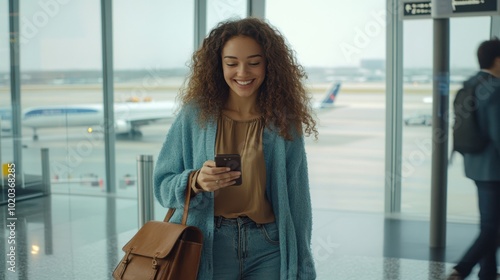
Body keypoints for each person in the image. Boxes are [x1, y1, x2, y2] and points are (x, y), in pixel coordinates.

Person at [153, 17, 318, 280]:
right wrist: (195, 181)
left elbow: (298, 201)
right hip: (208, 243)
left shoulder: (283, 121)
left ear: (268, 65)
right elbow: (162, 185)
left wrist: (302, 264)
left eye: (254, 63)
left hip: (269, 246)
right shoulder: (196, 115)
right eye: (232, 63)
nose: (242, 73)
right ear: (218, 66)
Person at [447, 38, 500, 280]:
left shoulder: (470, 83)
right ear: (498, 61)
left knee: (490, 224)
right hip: (494, 168)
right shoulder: (495, 89)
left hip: (475, 165)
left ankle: (487, 273)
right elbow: (498, 132)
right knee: (492, 227)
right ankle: (462, 269)